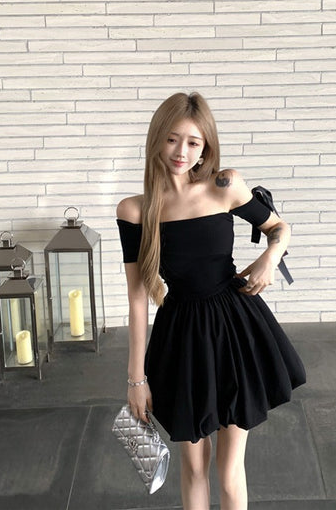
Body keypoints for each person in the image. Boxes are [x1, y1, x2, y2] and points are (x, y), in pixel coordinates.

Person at [116, 92, 306, 510]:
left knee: (229, 469)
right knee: (193, 467)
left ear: (205, 147)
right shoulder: (135, 211)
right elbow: (137, 299)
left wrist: (270, 258)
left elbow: (279, 228)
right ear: (156, 139)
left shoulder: (224, 186)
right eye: (171, 139)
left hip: (235, 330)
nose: (180, 152)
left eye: (193, 142)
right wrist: (136, 378)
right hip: (181, 337)